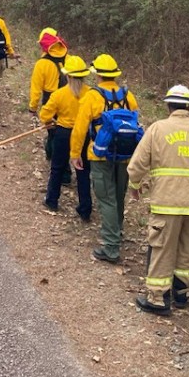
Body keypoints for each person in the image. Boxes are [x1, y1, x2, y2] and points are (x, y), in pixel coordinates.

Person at [128, 83, 189, 315]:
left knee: (163, 248)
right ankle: (182, 294)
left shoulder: (157, 129)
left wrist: (135, 185)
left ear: (168, 106)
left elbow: (136, 165)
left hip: (166, 202)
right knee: (188, 248)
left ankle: (157, 299)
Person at [70, 54, 138, 264]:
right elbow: (136, 126)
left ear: (97, 74)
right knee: (118, 196)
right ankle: (116, 232)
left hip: (100, 155)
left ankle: (111, 247)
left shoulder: (92, 96)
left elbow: (80, 128)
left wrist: (74, 154)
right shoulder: (129, 96)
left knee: (106, 199)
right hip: (125, 156)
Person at [38, 55, 92, 221]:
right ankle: (85, 209)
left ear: (67, 76)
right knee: (83, 171)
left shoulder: (59, 94)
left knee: (57, 168)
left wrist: (50, 121)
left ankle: (52, 200)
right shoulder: (90, 93)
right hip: (83, 134)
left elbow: (44, 114)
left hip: (63, 132)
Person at [29, 27, 69, 179]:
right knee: (64, 132)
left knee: (53, 133)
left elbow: (36, 88)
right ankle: (53, 157)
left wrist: (32, 107)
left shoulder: (42, 64)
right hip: (70, 99)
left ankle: (62, 171)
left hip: (51, 100)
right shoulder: (69, 59)